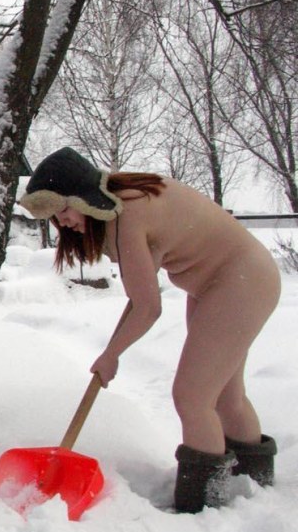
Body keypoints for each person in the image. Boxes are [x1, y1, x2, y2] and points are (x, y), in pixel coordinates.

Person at [19, 147, 279, 513]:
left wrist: (111, 355)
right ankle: (254, 487)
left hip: (239, 281)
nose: (63, 224)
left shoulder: (127, 217)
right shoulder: (123, 202)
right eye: (55, 218)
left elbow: (148, 308)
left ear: (83, 197)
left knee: (193, 397)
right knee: (224, 397)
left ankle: (203, 507)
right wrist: (111, 352)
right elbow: (140, 298)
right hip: (226, 282)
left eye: (63, 210)